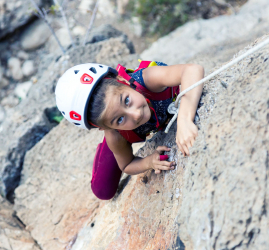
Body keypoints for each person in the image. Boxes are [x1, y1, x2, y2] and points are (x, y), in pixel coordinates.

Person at [55, 61, 204, 200]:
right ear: (105, 128)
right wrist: (148, 162)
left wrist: (184, 119)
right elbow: (126, 165)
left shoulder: (148, 79)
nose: (136, 114)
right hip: (121, 135)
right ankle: (104, 149)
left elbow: (192, 70)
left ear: (123, 80)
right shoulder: (115, 135)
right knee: (103, 190)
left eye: (126, 100)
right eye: (119, 119)